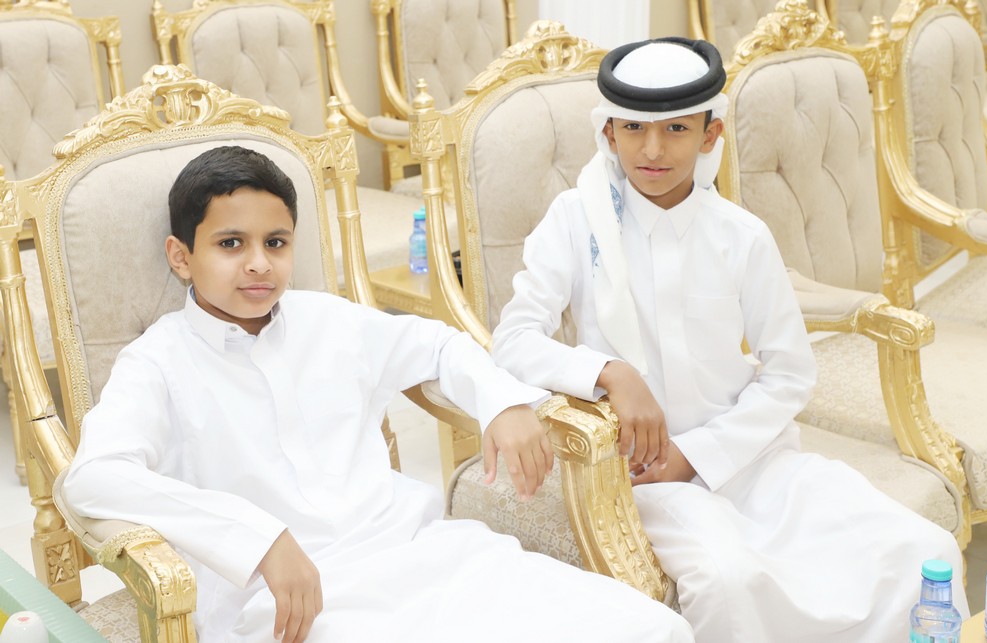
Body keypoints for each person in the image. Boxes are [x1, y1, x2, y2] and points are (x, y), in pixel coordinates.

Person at [62, 146, 692, 643]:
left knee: (649, 629)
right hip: (293, 599)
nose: (258, 263)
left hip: (425, 555)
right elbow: (93, 477)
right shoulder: (158, 363)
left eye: (276, 243)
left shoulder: (329, 321)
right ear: (181, 256)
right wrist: (258, 538)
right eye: (231, 244)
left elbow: (439, 345)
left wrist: (500, 400)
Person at [491, 37, 969, 642]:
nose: (653, 149)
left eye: (676, 129)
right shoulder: (574, 219)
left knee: (921, 548)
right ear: (609, 133)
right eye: (634, 128)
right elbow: (513, 340)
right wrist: (610, 372)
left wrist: (699, 454)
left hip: (752, 460)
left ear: (709, 134)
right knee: (730, 580)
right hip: (640, 477)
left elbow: (789, 374)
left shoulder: (742, 236)